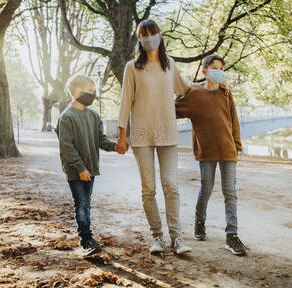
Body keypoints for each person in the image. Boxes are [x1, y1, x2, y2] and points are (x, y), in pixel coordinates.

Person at [116, 19, 194, 255]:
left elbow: (187, 89)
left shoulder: (169, 65)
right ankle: (157, 236)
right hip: (141, 135)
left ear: (160, 35)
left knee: (171, 185)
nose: (149, 37)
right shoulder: (132, 67)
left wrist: (213, 86)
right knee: (148, 188)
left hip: (168, 134)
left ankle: (177, 237)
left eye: (152, 33)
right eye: (144, 34)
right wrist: (122, 133)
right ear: (139, 39)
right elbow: (125, 100)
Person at [175, 54, 247, 256]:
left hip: (227, 150)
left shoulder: (226, 93)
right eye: (215, 68)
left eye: (222, 69)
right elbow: (173, 109)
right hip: (206, 152)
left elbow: (234, 120)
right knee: (206, 189)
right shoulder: (195, 95)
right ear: (205, 71)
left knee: (230, 193)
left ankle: (231, 235)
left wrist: (237, 145)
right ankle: (199, 223)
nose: (219, 71)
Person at [57, 74, 125, 256]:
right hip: (76, 171)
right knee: (81, 203)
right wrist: (80, 168)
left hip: (91, 169)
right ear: (77, 91)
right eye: (89, 91)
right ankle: (86, 239)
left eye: (93, 91)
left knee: (86, 203)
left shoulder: (94, 115)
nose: (92, 94)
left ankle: (87, 237)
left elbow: (100, 140)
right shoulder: (67, 117)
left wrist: (115, 147)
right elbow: (67, 147)